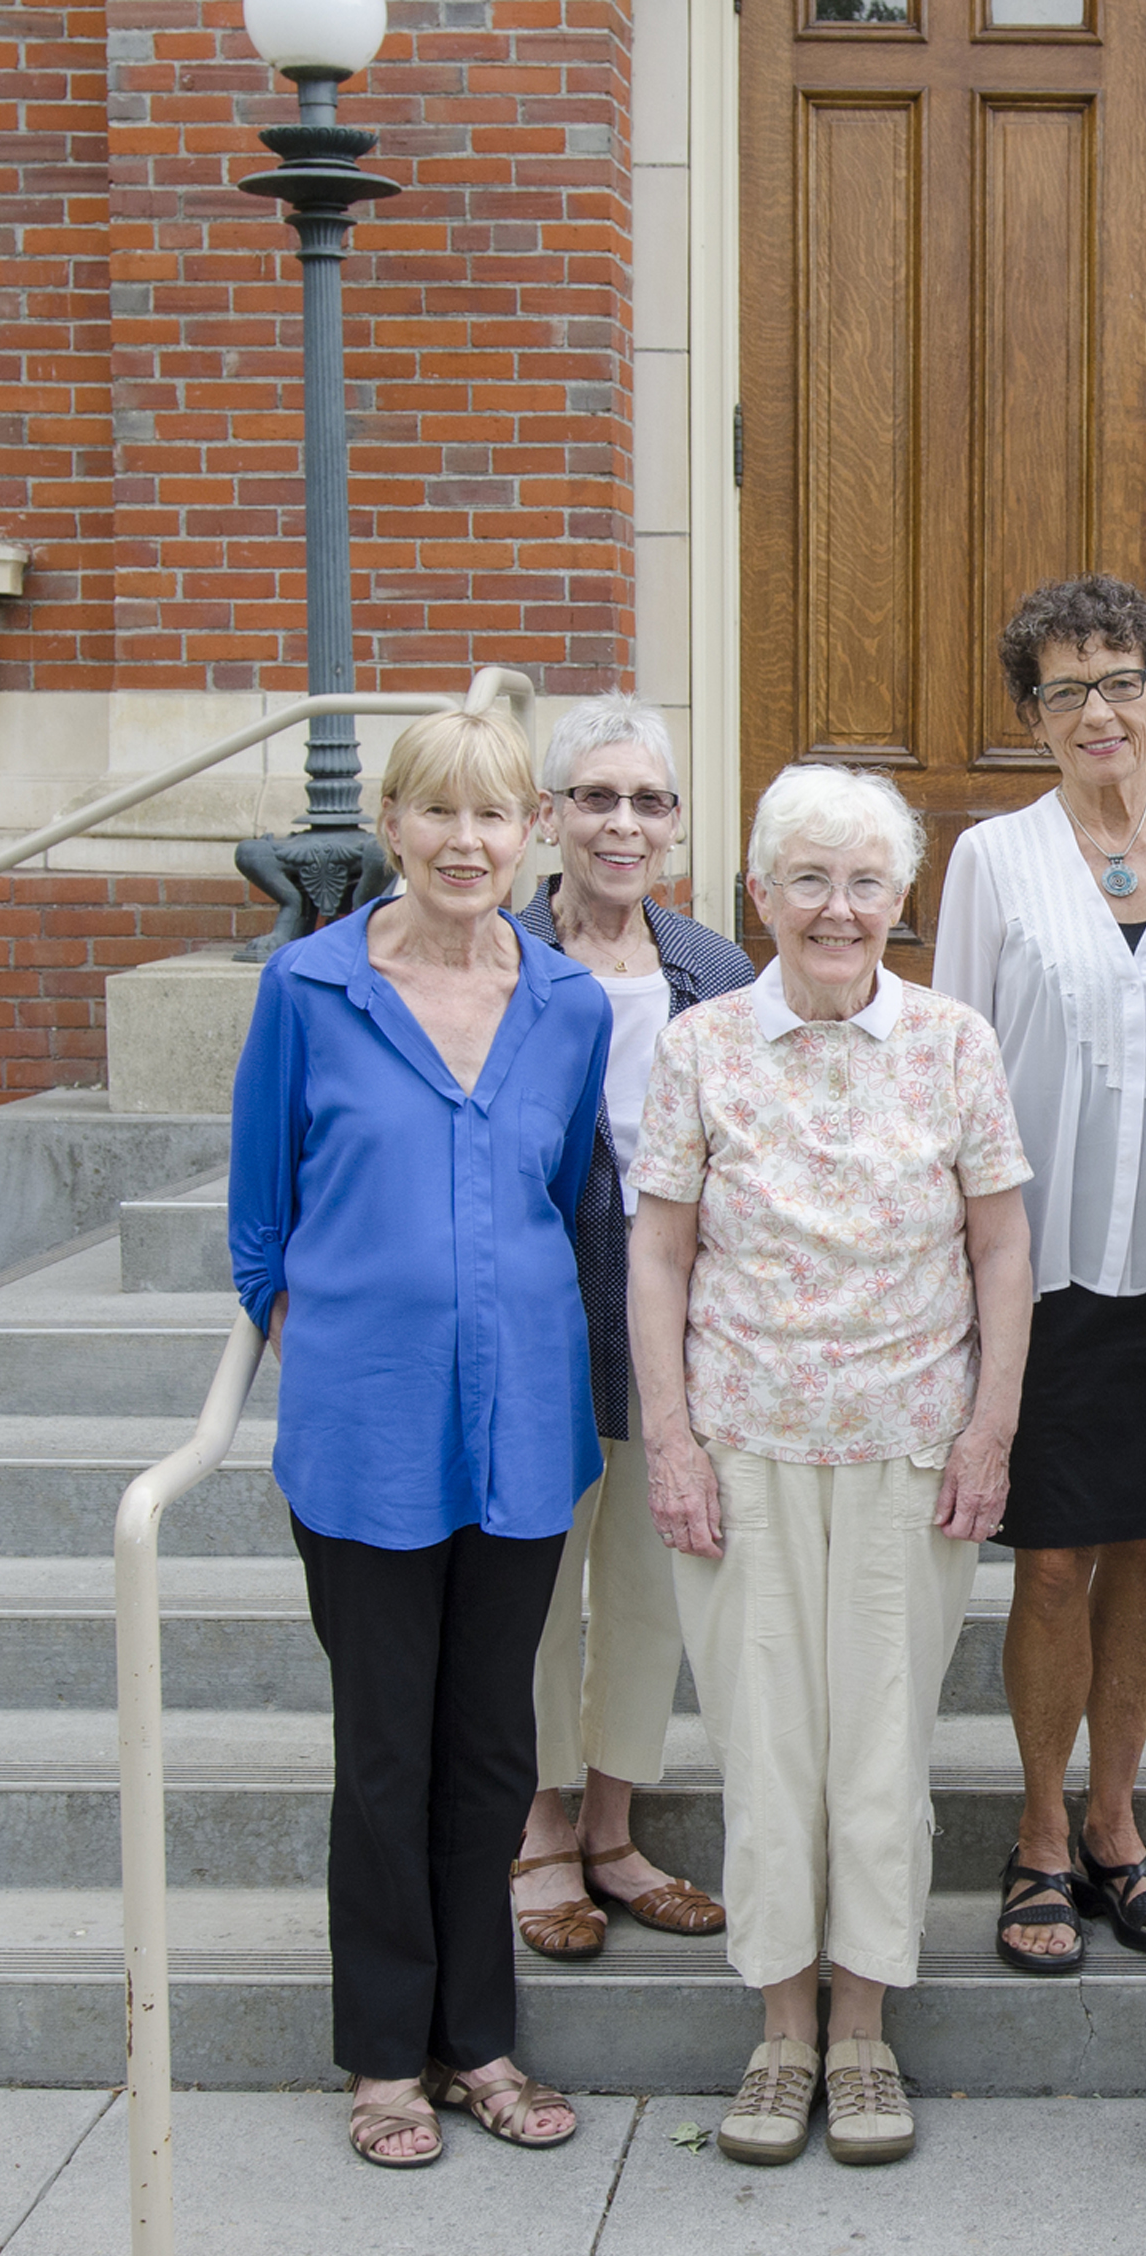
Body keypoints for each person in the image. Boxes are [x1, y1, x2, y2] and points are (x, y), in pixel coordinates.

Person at [628, 762, 1034, 2170]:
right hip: (738, 1451)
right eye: (808, 879)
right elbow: (660, 1254)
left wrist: (990, 1431)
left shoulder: (953, 1044)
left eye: (865, 882)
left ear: (901, 900)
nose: (837, 908)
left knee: (877, 1751)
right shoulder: (701, 1050)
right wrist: (669, 1440)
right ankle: (780, 2032)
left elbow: (1000, 1249)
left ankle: (863, 2029)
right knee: (764, 1750)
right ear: (757, 895)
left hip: (909, 1450)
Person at [227, 704, 611, 2169]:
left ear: (533, 834)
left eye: (495, 816)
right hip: (365, 1437)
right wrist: (323, 1345)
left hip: (518, 1429)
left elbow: (563, 1195)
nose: (467, 843)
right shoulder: (310, 991)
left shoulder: (565, 1003)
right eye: (437, 815)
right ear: (389, 825)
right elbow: (261, 1222)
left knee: (491, 1749)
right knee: (385, 1748)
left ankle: (482, 2039)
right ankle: (387, 2056)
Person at [935, 576, 1146, 1976]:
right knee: (1054, 1563)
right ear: (1031, 715)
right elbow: (949, 1074)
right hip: (1044, 1270)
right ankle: (1039, 1833)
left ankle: (1119, 1825)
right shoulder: (994, 861)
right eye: (1065, 689)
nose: (1099, 711)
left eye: (1122, 680)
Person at [507, 694, 754, 1962]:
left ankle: (614, 1829)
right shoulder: (494, 955)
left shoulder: (713, 969)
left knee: (654, 1587)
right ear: (548, 817)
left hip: (676, 1330)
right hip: (532, 1320)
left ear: (675, 826)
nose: (622, 823)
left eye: (648, 801)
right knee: (541, 1586)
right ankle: (541, 1832)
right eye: (595, 798)